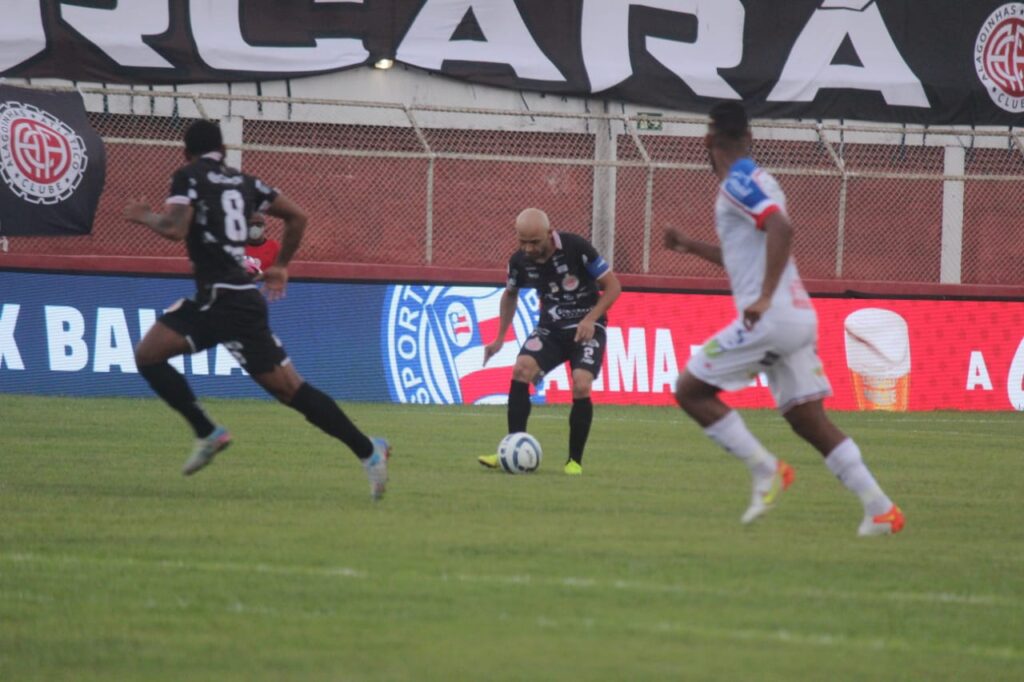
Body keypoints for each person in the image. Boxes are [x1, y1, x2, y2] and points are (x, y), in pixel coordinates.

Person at [663, 101, 903, 536]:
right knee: (807, 419)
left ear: (708, 141)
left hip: (771, 318)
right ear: (749, 139)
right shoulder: (761, 178)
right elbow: (747, 254)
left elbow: (781, 230)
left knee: (690, 390)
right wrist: (690, 246)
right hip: (797, 316)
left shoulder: (736, 181)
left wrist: (764, 298)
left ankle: (765, 469)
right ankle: (880, 508)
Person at [123, 120, 390, 500]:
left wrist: (144, 215)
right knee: (289, 391)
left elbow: (175, 228)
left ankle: (208, 431)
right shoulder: (245, 181)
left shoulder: (188, 176)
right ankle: (367, 450)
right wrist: (281, 265)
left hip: (221, 298)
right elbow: (298, 216)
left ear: (186, 152)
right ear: (225, 150)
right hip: (235, 299)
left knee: (150, 357)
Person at [477, 208, 621, 475]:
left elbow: (613, 286)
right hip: (550, 330)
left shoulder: (576, 247)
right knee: (521, 369)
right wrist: (499, 338)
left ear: (549, 233)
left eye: (534, 242)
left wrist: (591, 319)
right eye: (522, 241)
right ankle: (511, 448)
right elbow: (510, 295)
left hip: (586, 328)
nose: (528, 248)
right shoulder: (519, 261)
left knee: (581, 383)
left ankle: (574, 461)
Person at [243, 212, 281, 276]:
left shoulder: (275, 247)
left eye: (259, 224)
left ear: (264, 226)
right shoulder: (238, 247)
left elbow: (278, 272)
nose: (255, 227)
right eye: (251, 224)